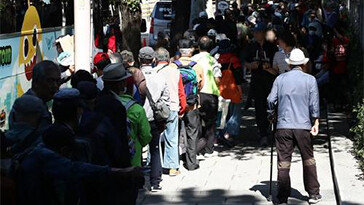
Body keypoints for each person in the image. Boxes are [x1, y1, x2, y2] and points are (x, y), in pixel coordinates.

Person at [267, 48, 321, 204]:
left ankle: (282, 197)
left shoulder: (280, 79)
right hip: (303, 125)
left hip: (283, 125)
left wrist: (271, 115)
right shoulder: (310, 80)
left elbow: (270, 100)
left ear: (289, 65)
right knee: (308, 159)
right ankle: (313, 194)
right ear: (303, 65)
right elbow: (314, 104)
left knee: (283, 161)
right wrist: (315, 121)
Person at [139, 46, 170, 191]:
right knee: (155, 149)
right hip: (154, 118)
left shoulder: (134, 76)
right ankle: (156, 181)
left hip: (136, 117)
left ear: (139, 59)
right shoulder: (160, 77)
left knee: (136, 149)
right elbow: (166, 98)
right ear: (153, 60)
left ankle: (138, 181)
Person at [170, 39, 204, 170]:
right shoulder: (197, 66)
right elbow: (201, 85)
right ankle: (191, 163)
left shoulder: (172, 66)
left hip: (176, 105)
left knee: (175, 133)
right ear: (191, 50)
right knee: (192, 132)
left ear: (179, 49)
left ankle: (174, 163)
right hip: (192, 105)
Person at [154, 47, 187, 176]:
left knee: (155, 137)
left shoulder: (152, 72)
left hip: (156, 108)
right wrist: (182, 107)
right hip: (173, 107)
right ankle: (172, 167)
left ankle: (153, 164)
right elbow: (181, 91)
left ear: (155, 59)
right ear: (168, 59)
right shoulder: (175, 72)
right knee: (172, 138)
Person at [245, 23, 278, 146]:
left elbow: (277, 64)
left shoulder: (271, 47)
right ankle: (263, 133)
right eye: (255, 32)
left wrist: (269, 67)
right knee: (259, 107)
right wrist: (250, 66)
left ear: (263, 33)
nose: (256, 34)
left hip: (270, 80)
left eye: (258, 32)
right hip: (257, 80)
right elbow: (245, 61)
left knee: (271, 106)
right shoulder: (251, 46)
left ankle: (273, 130)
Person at [191, 36, 221, 155]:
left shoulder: (193, 59)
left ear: (198, 47)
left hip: (196, 94)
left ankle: (197, 148)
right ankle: (209, 148)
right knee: (210, 123)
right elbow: (217, 79)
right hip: (210, 94)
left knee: (196, 122)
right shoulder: (213, 60)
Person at [19, 60, 61, 133]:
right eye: (50, 81)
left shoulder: (40, 103)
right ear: (36, 82)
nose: (55, 86)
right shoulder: (30, 106)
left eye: (57, 81)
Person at [216, 39, 243, 144]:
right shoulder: (234, 60)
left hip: (221, 91)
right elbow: (238, 78)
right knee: (234, 113)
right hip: (233, 90)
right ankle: (229, 134)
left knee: (222, 113)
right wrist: (240, 91)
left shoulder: (217, 61)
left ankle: (220, 134)